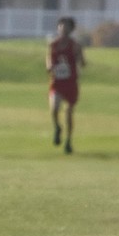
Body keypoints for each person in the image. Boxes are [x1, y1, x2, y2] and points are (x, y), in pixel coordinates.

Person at [47, 16, 85, 153]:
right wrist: (50, 67)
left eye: (67, 27)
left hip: (70, 82)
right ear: (58, 28)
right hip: (57, 82)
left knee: (69, 112)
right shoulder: (53, 45)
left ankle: (68, 141)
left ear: (71, 29)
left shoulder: (75, 45)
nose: (63, 29)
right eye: (61, 26)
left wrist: (79, 58)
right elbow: (48, 59)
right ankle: (57, 127)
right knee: (54, 108)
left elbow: (82, 62)